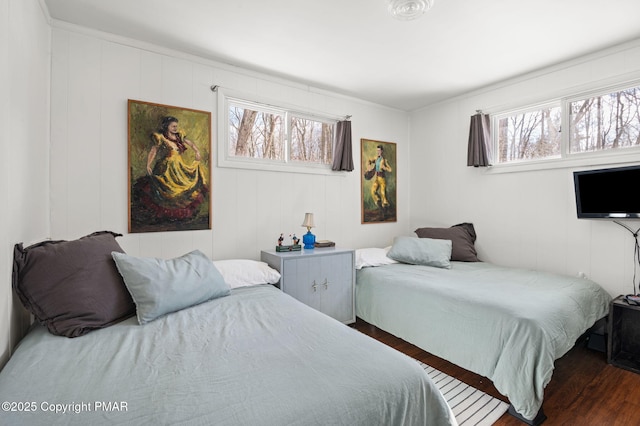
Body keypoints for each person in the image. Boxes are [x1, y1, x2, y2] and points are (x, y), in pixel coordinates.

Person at [135, 116, 208, 222]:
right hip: (166, 167)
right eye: (173, 126)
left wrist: (197, 151)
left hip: (178, 166)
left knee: (183, 185)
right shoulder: (160, 137)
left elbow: (191, 143)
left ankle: (181, 213)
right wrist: (148, 164)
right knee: (167, 189)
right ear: (166, 126)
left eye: (176, 126)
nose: (175, 128)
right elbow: (153, 151)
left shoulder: (179, 136)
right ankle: (166, 214)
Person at [368, 145, 392, 212]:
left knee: (383, 194)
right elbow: (369, 160)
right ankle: (379, 203)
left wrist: (385, 168)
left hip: (382, 179)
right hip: (377, 178)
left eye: (379, 150)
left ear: (382, 151)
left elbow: (390, 169)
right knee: (373, 191)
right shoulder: (376, 158)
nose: (378, 152)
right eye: (377, 150)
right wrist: (369, 166)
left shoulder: (384, 160)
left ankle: (385, 209)